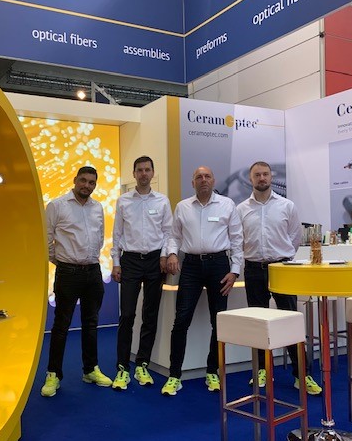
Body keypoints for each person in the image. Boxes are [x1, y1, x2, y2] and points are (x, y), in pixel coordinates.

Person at [236, 161, 322, 395]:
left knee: (290, 321)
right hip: (253, 269)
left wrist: (284, 257)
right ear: (251, 179)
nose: (262, 178)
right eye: (257, 175)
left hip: (282, 268)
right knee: (258, 321)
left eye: (265, 174)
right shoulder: (241, 209)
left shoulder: (287, 206)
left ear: (271, 177)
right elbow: (238, 239)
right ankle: (262, 370)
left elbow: (294, 236)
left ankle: (301, 375)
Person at [162, 166, 243, 396]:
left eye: (207, 176)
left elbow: (237, 239)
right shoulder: (183, 206)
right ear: (193, 182)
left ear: (213, 180)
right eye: (199, 177)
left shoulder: (227, 204)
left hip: (219, 266)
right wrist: (172, 254)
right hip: (191, 266)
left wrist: (235, 271)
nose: (203, 180)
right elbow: (174, 236)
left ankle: (212, 370)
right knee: (181, 320)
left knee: (218, 322)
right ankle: (174, 375)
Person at [41, 166, 113, 397]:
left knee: (91, 324)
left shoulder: (97, 207)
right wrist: (63, 262)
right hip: (68, 273)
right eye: (83, 180)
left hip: (93, 272)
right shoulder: (57, 205)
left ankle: (90, 370)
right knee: (61, 326)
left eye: (92, 182)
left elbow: (99, 238)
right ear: (75, 180)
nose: (87, 186)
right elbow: (46, 241)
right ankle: (53, 374)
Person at [110, 155, 174, 391]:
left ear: (153, 173)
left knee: (150, 314)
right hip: (130, 261)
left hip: (155, 262)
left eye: (147, 169)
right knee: (127, 314)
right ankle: (122, 367)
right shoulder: (124, 201)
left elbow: (168, 233)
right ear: (134, 174)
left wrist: (165, 255)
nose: (144, 173)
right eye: (140, 170)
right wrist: (116, 262)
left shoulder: (162, 201)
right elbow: (117, 234)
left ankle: (142, 364)